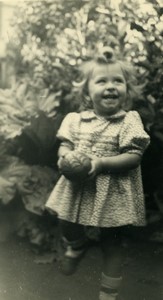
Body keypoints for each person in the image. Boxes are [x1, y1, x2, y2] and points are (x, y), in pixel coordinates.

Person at [45, 47, 150, 300]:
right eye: (102, 81)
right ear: (87, 92)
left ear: (127, 89)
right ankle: (77, 244)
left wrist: (101, 163)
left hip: (113, 191)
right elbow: (65, 145)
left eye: (118, 81)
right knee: (65, 220)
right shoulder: (75, 120)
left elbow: (134, 157)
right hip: (78, 186)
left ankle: (108, 293)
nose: (111, 86)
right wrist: (64, 157)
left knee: (111, 243)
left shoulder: (129, 121)